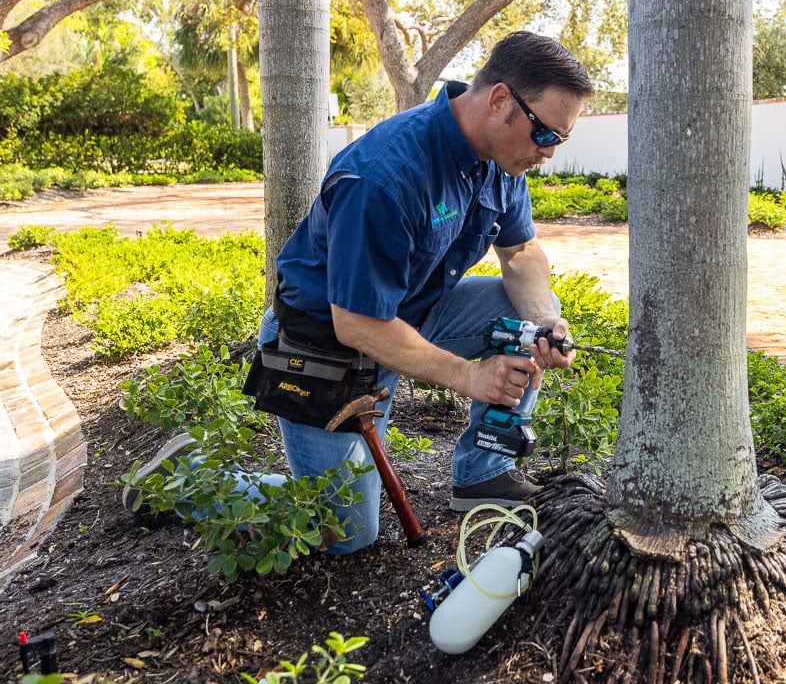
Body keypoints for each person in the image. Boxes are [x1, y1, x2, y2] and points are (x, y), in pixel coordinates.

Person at [124, 32, 594, 555]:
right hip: (327, 346)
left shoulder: (502, 160)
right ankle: (186, 478)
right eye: (546, 135)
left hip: (411, 313)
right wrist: (469, 376)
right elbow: (358, 324)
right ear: (501, 100)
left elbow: (522, 254)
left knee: (521, 316)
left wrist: (546, 321)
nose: (548, 153)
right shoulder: (384, 176)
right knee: (344, 532)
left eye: (559, 140)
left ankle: (483, 476)